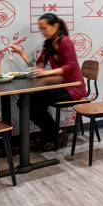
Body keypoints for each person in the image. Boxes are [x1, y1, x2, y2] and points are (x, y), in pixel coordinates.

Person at [6, 13, 85, 151]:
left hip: (73, 88)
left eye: (45, 28)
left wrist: (46, 72)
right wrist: (20, 53)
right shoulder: (48, 43)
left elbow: (71, 65)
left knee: (33, 104)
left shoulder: (65, 41)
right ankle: (54, 134)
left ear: (55, 26)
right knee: (26, 103)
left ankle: (55, 135)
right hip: (61, 85)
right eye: (41, 29)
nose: (43, 32)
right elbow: (37, 66)